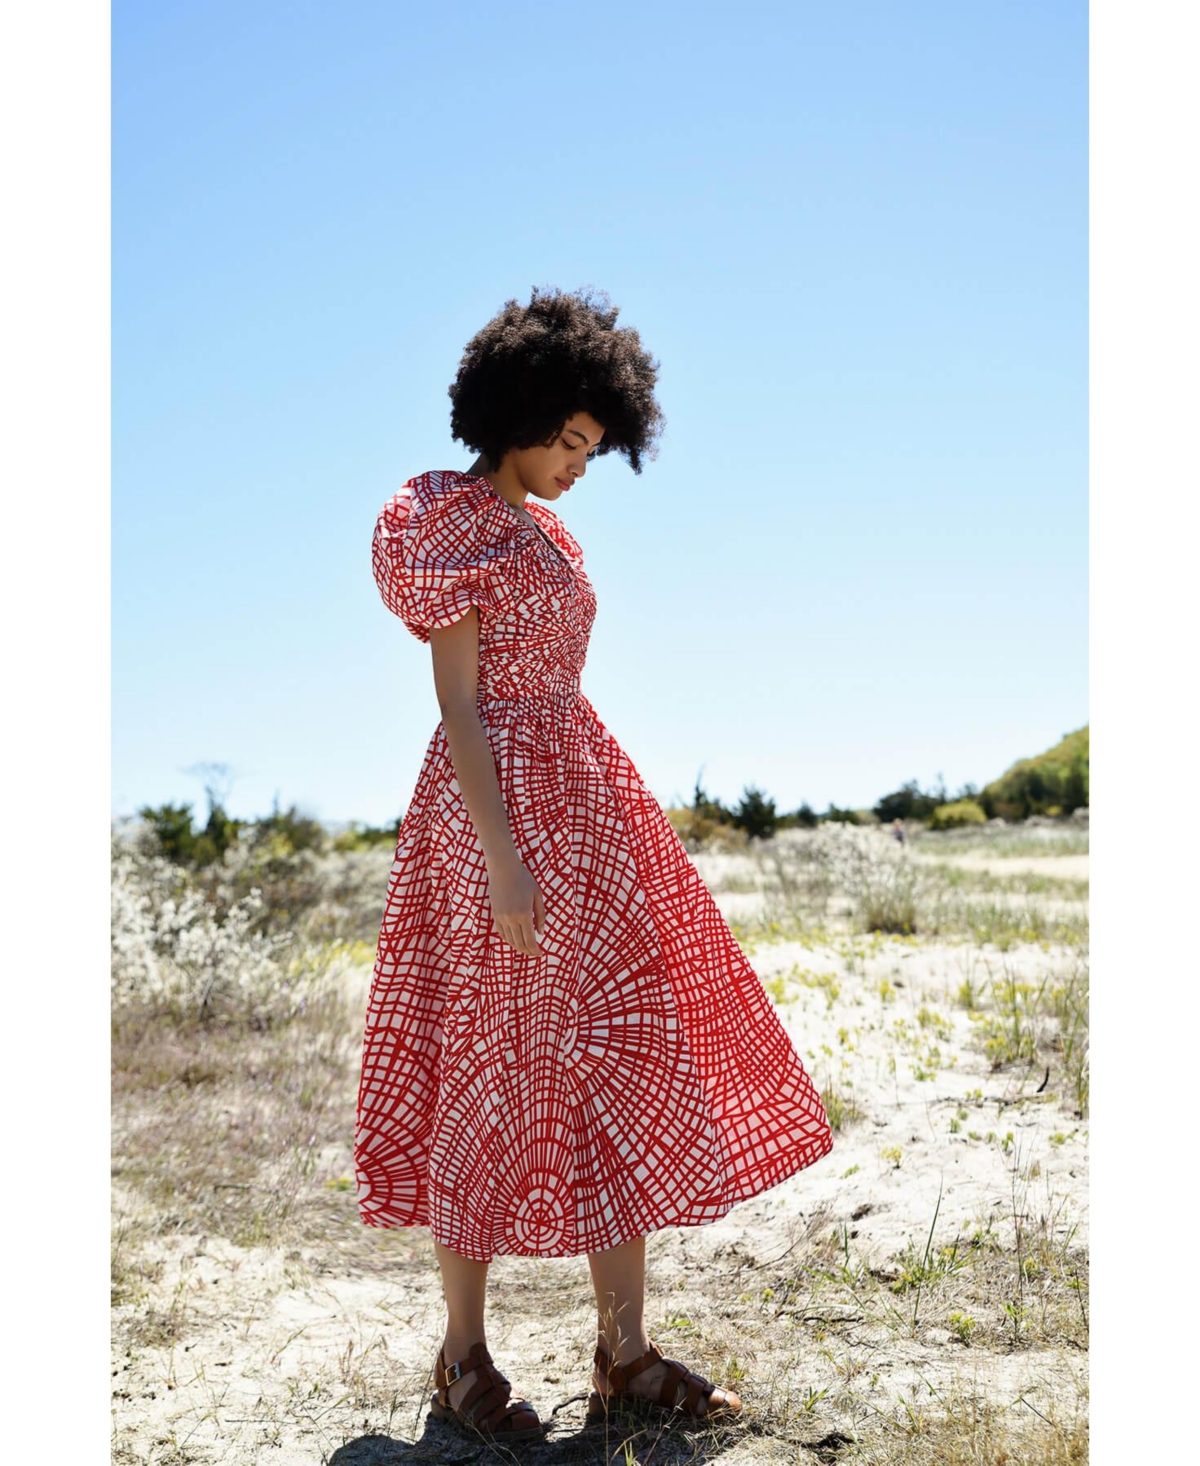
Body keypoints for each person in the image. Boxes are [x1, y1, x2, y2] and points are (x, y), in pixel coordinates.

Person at [353, 285, 834, 1443]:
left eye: (596, 446)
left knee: (625, 1051)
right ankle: (462, 1356)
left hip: (589, 802)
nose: (581, 465)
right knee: (485, 1063)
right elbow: (462, 707)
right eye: (570, 440)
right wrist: (505, 862)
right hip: (495, 813)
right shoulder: (445, 519)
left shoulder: (555, 533)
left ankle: (624, 1349)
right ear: (518, 409)